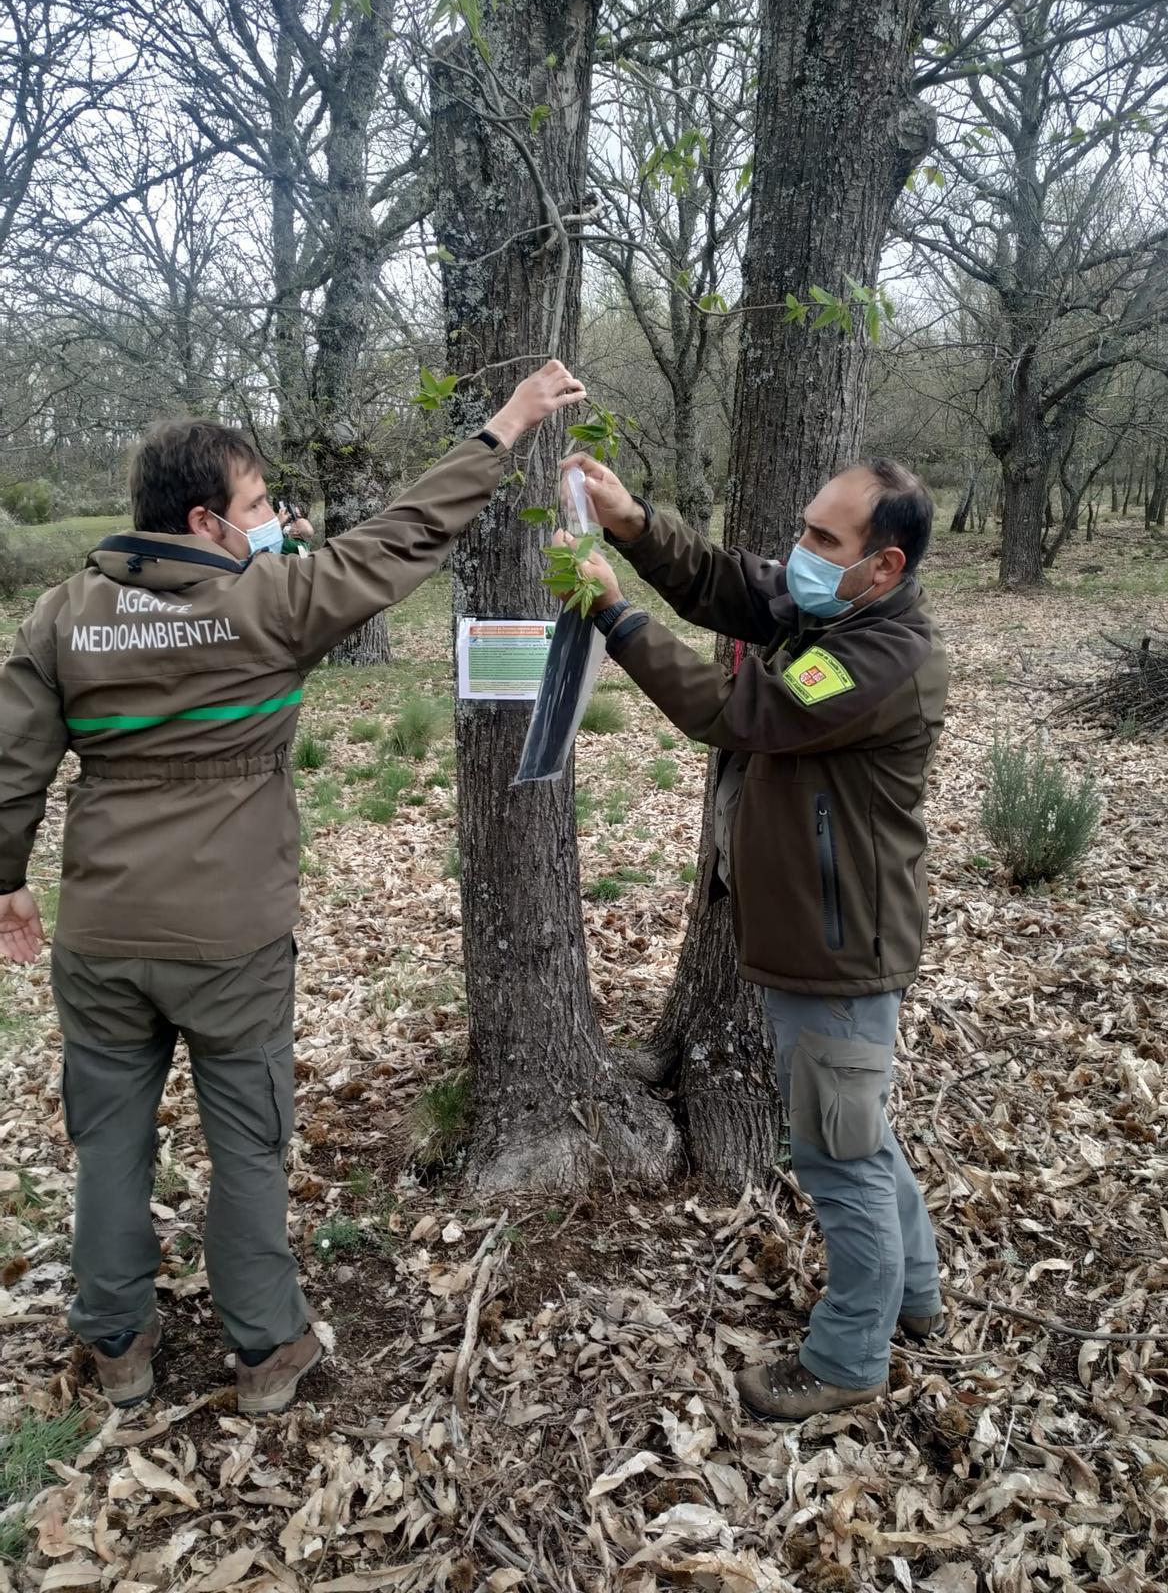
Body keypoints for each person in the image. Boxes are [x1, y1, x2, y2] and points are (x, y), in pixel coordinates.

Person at [0, 360, 586, 1414]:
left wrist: (5, 879)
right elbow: (405, 536)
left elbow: (11, 761)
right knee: (247, 1146)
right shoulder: (271, 603)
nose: (273, 520)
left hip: (100, 933)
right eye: (259, 505)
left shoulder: (61, 615)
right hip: (231, 938)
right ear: (203, 519)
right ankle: (267, 1351)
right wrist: (503, 430)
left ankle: (117, 1349)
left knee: (108, 1147)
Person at [555, 451, 947, 1422]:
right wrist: (634, 522)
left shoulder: (877, 658)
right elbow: (736, 585)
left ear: (884, 566)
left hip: (838, 946)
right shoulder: (834, 611)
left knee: (835, 1153)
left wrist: (616, 616)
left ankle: (852, 1355)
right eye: (804, 528)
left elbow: (741, 710)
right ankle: (916, 1292)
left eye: (824, 539)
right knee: (856, 1129)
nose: (798, 553)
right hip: (821, 935)